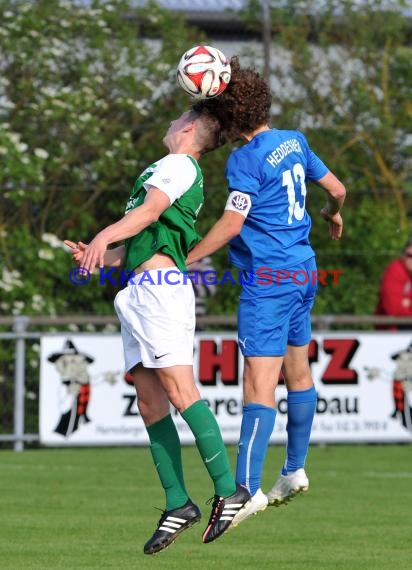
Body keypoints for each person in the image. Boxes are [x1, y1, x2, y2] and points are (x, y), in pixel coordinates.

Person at [65, 107, 250, 555]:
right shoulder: (175, 167)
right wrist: (100, 254)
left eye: (177, 118)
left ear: (188, 128)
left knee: (182, 392)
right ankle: (177, 502)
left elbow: (149, 213)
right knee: (150, 402)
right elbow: (148, 237)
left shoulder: (178, 164)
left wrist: (102, 236)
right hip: (141, 291)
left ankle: (230, 491)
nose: (168, 123)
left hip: (159, 292)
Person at [186, 56, 346, 524]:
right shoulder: (295, 141)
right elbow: (337, 187)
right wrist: (333, 212)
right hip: (303, 270)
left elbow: (232, 224)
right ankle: (294, 469)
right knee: (298, 371)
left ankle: (246, 491)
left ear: (229, 119)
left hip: (268, 281)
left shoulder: (245, 159)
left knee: (258, 383)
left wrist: (185, 256)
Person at [375, 238, 412, 330]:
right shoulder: (395, 271)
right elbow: (393, 310)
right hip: (393, 334)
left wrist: (408, 303)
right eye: (410, 255)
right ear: (403, 255)